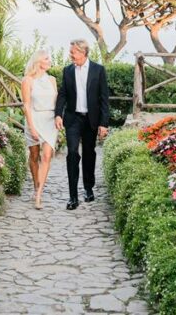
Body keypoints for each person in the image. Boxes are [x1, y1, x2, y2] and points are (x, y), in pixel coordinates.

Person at [54, 39, 110, 210]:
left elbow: (103, 98)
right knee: (72, 154)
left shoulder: (98, 70)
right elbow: (63, 93)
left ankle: (88, 188)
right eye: (71, 52)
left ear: (83, 52)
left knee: (88, 153)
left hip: (91, 119)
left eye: (74, 52)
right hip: (73, 119)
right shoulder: (68, 70)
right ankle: (73, 197)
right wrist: (58, 114)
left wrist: (103, 123)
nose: (71, 55)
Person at [21, 48, 58, 209]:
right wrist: (32, 127)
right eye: (46, 58)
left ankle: (39, 192)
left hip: (49, 120)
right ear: (38, 61)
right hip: (34, 118)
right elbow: (26, 105)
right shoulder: (27, 80)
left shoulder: (52, 80)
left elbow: (57, 102)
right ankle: (36, 185)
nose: (49, 61)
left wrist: (59, 117)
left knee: (47, 156)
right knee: (34, 154)